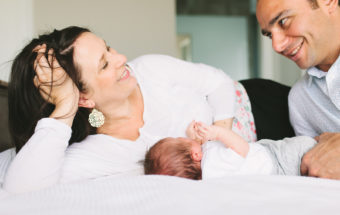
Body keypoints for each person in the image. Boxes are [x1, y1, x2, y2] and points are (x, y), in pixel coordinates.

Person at [3, 26, 247, 193]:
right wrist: (65, 106)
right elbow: (20, 191)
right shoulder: (92, 153)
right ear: (84, 98)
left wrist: (220, 138)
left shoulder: (151, 69)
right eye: (105, 64)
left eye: (108, 48)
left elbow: (219, 83)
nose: (121, 58)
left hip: (247, 106)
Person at [256, 0, 340, 179]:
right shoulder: (300, 99)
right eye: (269, 35)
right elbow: (314, 172)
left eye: (284, 22)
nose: (277, 46)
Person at [144, 121, 316, 179]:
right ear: (195, 155)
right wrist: (217, 132)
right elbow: (241, 148)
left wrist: (195, 136)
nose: (183, 137)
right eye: (180, 139)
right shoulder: (213, 161)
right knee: (307, 145)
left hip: (271, 168)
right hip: (277, 161)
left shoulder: (207, 174)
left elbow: (203, 146)